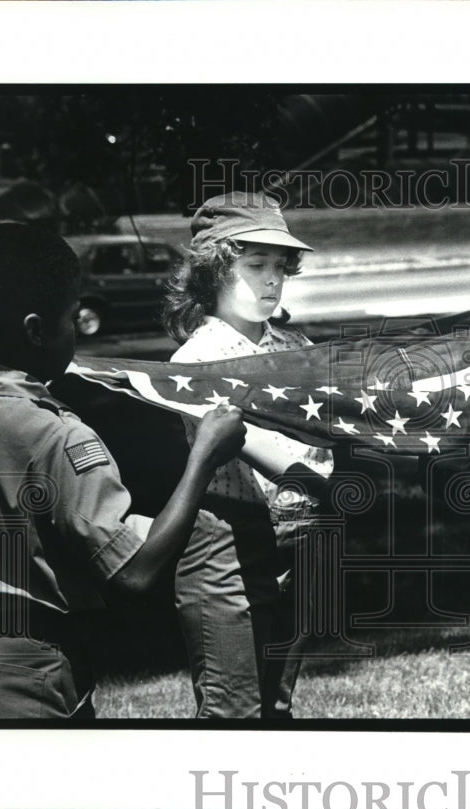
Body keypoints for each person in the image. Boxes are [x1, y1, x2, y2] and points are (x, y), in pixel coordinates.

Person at [0, 223, 248, 719]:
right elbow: (134, 571)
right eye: (71, 317)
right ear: (36, 331)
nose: (75, 330)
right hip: (34, 673)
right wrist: (203, 460)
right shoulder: (60, 436)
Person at [162, 191, 332, 719]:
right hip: (229, 543)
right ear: (213, 273)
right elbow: (247, 442)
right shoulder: (195, 361)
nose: (272, 279)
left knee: (277, 704)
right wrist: (324, 479)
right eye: (255, 264)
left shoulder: (296, 347)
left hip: (299, 537)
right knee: (231, 709)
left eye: (280, 266)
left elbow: (327, 435)